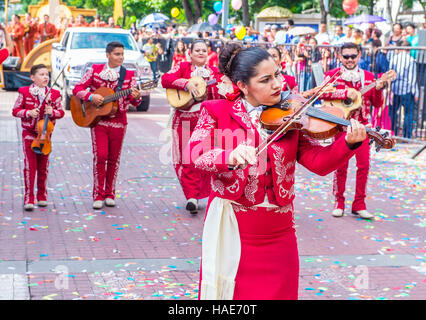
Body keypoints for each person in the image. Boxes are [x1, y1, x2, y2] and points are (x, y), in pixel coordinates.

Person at [185, 42, 369, 300]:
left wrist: (348, 143)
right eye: (266, 79)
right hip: (235, 228)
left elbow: (319, 162)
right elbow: (195, 153)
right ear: (242, 86)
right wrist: (230, 156)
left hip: (280, 231)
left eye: (278, 74)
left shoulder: (291, 116)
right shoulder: (216, 111)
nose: (277, 84)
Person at [72, 42, 143, 209]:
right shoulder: (95, 70)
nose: (121, 57)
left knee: (113, 159)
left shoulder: (129, 74)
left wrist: (137, 96)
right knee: (101, 156)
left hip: (119, 121)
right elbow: (77, 89)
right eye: (117, 54)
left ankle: (110, 193)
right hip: (98, 121)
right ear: (108, 55)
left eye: (122, 54)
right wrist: (91, 97)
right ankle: (98, 194)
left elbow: (133, 101)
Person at [320, 42, 387, 219]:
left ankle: (359, 204)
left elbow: (377, 104)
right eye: (346, 56)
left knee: (363, 166)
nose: (349, 60)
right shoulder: (332, 75)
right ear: (340, 57)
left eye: (353, 56)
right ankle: (339, 202)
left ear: (359, 56)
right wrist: (344, 94)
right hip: (341, 127)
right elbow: (321, 94)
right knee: (340, 166)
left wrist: (379, 90)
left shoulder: (368, 76)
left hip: (363, 127)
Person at [161, 39, 223, 214]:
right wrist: (185, 83)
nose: (201, 53)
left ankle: (204, 193)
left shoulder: (215, 73)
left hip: (207, 121)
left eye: (204, 50)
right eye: (197, 50)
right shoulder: (182, 68)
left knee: (206, 157)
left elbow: (223, 92)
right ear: (190, 52)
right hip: (185, 118)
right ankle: (191, 197)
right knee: (187, 158)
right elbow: (166, 79)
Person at [12, 64, 64, 210]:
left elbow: (61, 112)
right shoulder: (24, 92)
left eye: (47, 74)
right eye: (41, 74)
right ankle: (29, 197)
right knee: (30, 166)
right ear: (32, 78)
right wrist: (28, 113)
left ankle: (42, 195)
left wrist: (52, 111)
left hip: (45, 135)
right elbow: (15, 110)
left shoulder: (54, 94)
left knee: (43, 166)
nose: (45, 77)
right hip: (29, 134)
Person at [388, 40, 419, 138]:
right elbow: (412, 79)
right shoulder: (410, 60)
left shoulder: (394, 59)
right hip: (406, 89)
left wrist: (390, 89)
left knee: (393, 113)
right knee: (408, 114)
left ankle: (392, 133)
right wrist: (416, 93)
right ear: (409, 49)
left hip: (395, 88)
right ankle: (406, 136)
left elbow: (390, 75)